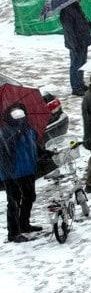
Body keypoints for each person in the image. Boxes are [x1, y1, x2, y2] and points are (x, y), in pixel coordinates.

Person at [1, 101, 39, 242]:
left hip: (28, 169)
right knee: (14, 201)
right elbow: (5, 149)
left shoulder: (29, 129)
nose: (19, 115)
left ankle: (24, 224)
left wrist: (43, 152)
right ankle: (13, 233)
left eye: (20, 111)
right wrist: (17, 133)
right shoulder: (4, 131)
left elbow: (34, 146)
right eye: (15, 111)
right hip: (12, 172)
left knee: (30, 196)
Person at [60, 0, 91, 96]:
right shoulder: (66, 10)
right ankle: (76, 88)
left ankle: (80, 84)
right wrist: (74, 44)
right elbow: (68, 29)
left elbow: (81, 22)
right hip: (76, 42)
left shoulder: (76, 7)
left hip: (83, 40)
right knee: (76, 64)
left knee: (82, 63)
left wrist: (90, 25)